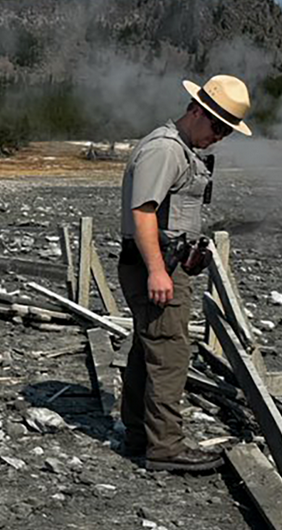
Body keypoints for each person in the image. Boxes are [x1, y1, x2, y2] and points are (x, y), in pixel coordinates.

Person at [118, 75, 251, 472]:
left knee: (150, 349)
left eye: (227, 130)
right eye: (218, 126)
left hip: (162, 262)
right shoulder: (166, 150)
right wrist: (158, 270)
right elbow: (143, 212)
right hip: (156, 266)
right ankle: (166, 449)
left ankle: (140, 435)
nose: (220, 136)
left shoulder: (179, 148)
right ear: (197, 111)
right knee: (170, 353)